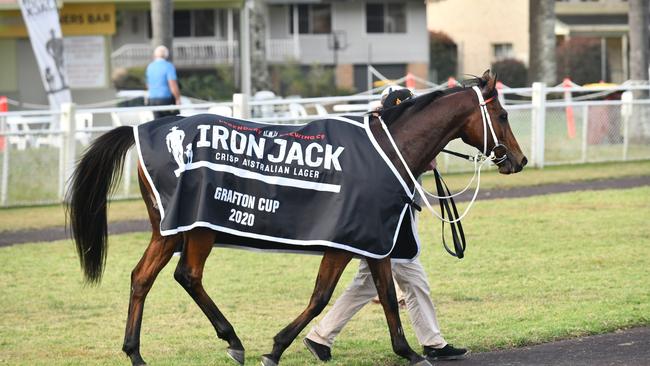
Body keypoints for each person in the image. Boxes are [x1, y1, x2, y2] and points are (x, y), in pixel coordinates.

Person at [303, 86, 468, 363]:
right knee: (411, 279)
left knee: (368, 282)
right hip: (390, 219)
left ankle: (321, 336)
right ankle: (432, 343)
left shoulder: (391, 131)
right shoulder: (384, 135)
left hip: (394, 215)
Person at [146, 45, 181, 118]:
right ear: (166, 55)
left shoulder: (150, 66)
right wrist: (177, 99)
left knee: (157, 123)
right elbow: (172, 84)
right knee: (170, 122)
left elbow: (148, 84)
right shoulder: (168, 66)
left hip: (152, 99)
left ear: (155, 55)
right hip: (165, 98)